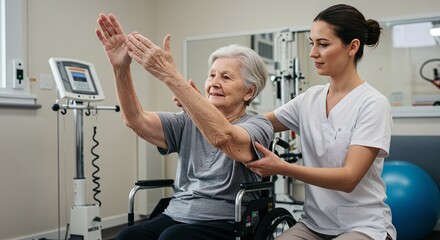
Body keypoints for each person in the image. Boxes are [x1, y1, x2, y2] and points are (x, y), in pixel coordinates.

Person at [95, 13, 273, 240]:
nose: (214, 83)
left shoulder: (259, 125)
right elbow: (135, 121)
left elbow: (225, 138)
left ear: (249, 91)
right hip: (177, 212)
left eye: (226, 77)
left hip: (227, 219)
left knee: (173, 238)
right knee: (128, 236)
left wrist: (171, 76)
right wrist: (121, 70)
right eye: (211, 75)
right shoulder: (186, 121)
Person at [244, 4, 397, 240]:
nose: (313, 52)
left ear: (353, 46)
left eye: (323, 44)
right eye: (311, 43)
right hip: (313, 224)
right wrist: (207, 110)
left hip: (361, 225)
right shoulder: (310, 98)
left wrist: (282, 167)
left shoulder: (373, 103)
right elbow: (258, 124)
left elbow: (348, 179)